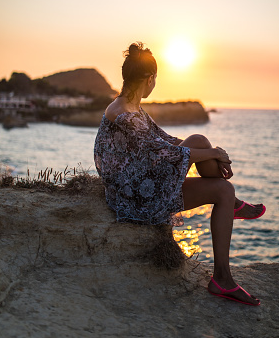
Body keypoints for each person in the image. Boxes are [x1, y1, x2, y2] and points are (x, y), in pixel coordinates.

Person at [94, 42, 266, 306]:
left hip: (140, 184)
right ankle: (224, 267)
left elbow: (167, 141)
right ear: (150, 79)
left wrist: (211, 151)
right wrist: (215, 154)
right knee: (220, 182)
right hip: (136, 199)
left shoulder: (130, 107)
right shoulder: (124, 114)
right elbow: (165, 153)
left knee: (200, 143)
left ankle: (225, 255)